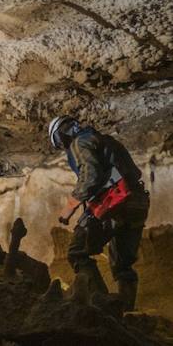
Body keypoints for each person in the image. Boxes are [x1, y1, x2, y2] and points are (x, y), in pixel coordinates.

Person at [48, 115, 150, 312]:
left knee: (77, 251)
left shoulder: (80, 142)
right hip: (138, 202)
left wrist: (70, 207)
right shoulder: (106, 140)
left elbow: (91, 175)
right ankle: (126, 312)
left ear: (60, 137)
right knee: (123, 265)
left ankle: (101, 307)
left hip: (113, 202)